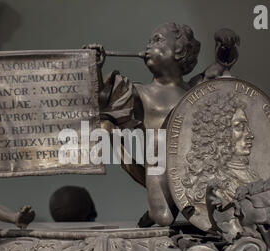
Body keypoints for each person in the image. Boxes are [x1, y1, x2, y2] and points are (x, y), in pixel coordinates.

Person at [85, 23, 240, 227]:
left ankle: (159, 209)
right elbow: (99, 101)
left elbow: (221, 65)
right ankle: (156, 204)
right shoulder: (139, 92)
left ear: (180, 50)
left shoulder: (195, 90)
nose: (148, 45)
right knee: (164, 218)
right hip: (157, 170)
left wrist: (226, 43)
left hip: (194, 172)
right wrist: (94, 67)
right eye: (149, 41)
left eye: (157, 40)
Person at [183, 94, 259, 206]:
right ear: (220, 133)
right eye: (239, 127)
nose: (250, 135)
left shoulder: (253, 175)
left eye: (247, 127)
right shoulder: (213, 185)